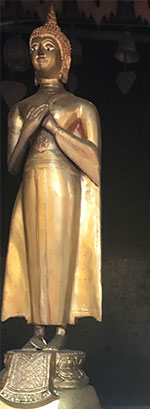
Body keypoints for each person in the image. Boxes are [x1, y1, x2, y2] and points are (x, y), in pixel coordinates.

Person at [2, 8, 102, 349]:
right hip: (31, 182)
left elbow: (94, 164)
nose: (40, 52)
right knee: (34, 254)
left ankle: (60, 328)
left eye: (48, 46)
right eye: (35, 48)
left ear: (64, 58)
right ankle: (37, 331)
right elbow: (13, 164)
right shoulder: (20, 110)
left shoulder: (80, 108)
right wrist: (30, 127)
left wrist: (56, 130)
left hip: (65, 185)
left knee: (60, 252)